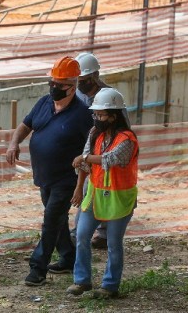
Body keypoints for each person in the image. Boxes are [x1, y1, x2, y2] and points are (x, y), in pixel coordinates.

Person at [5, 56, 93, 286]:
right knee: (57, 220)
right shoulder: (44, 102)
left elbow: (91, 147)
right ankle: (68, 257)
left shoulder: (83, 115)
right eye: (52, 83)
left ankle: (38, 268)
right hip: (44, 177)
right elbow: (26, 125)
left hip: (66, 179)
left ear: (72, 87)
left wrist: (83, 178)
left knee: (51, 219)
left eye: (59, 84)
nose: (53, 88)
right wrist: (14, 143)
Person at [67, 88, 139, 299]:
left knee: (113, 243)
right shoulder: (94, 133)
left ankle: (110, 285)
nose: (97, 118)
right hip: (94, 193)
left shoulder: (128, 139)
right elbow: (86, 162)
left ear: (114, 116)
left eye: (101, 115)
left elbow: (109, 159)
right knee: (81, 236)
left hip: (119, 198)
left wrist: (84, 158)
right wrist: (79, 187)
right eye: (95, 114)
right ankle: (82, 281)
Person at [73, 52, 111, 249]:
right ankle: (79, 231)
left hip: (102, 153)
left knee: (101, 190)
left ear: (95, 76)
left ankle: (102, 234)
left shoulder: (109, 97)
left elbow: (122, 127)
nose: (81, 84)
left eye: (84, 80)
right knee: (85, 190)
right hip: (83, 149)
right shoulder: (78, 95)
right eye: (78, 80)